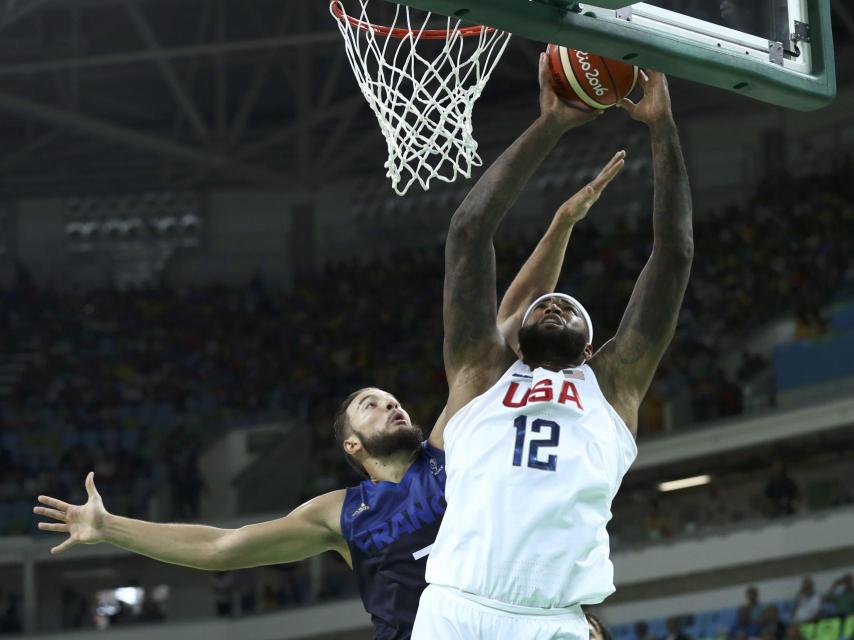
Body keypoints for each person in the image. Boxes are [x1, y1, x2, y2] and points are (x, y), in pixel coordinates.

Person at [33, 147, 625, 639]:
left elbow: (506, 327)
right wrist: (111, 528)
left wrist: (560, 226)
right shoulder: (340, 514)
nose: (392, 404)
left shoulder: (448, 451)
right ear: (351, 445)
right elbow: (220, 546)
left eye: (393, 399)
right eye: (371, 404)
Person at [412, 54, 693, 638]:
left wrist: (662, 128)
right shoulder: (481, 372)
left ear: (592, 349)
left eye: (570, 309)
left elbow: (673, 257)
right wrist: (551, 125)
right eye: (544, 304)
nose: (555, 302)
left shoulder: (613, 387)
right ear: (516, 337)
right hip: (455, 607)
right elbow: (468, 233)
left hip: (552, 621)